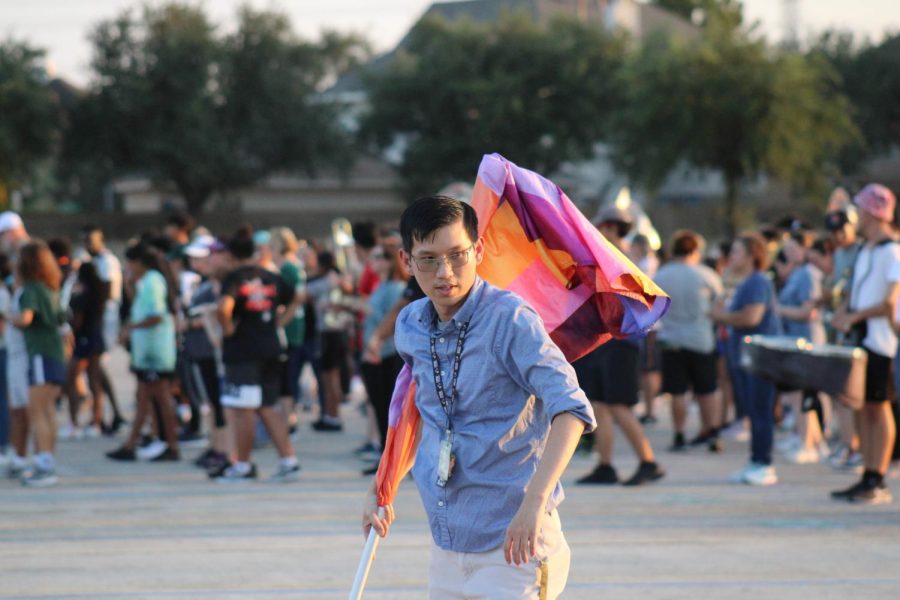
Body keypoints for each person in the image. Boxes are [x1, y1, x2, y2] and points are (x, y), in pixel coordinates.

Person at [362, 196, 596, 599]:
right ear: (406, 260)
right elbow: (417, 414)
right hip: (447, 542)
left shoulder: (511, 319)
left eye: (458, 255)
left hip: (515, 541)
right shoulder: (411, 324)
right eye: (429, 259)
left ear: (480, 250)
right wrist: (380, 487)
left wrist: (534, 505)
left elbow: (572, 411)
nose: (446, 273)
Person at [574, 206, 665, 486]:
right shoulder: (607, 255)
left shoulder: (623, 258)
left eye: (600, 226)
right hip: (603, 340)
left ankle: (648, 461)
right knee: (599, 404)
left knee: (618, 405)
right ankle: (606, 465)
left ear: (611, 228)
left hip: (621, 341)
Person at [212, 225, 301, 482]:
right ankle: (288, 460)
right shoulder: (269, 276)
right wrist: (278, 322)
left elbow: (223, 308)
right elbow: (296, 297)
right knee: (267, 406)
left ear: (230, 256)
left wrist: (227, 330)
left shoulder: (235, 278)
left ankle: (243, 465)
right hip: (271, 347)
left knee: (244, 409)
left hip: (243, 353)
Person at [831, 184, 900, 504]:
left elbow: (890, 300)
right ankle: (867, 472)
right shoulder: (866, 249)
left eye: (859, 210)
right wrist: (844, 313)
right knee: (861, 405)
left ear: (873, 213)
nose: (854, 217)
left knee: (878, 405)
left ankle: (878, 476)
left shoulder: (891, 250)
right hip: (860, 337)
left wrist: (855, 316)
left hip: (878, 340)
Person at [711, 233, 781, 486]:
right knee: (753, 410)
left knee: (761, 410)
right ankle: (755, 461)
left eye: (738, 252)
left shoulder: (758, 282)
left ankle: (764, 463)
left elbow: (751, 317)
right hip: (746, 356)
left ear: (753, 256)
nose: (732, 257)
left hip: (760, 356)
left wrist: (722, 316)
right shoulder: (744, 282)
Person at [106, 243, 180, 462]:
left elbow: (156, 315)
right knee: (145, 397)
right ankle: (132, 443)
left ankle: (171, 445)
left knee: (161, 398)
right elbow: (139, 308)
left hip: (154, 352)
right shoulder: (147, 281)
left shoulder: (153, 282)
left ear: (139, 263)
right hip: (147, 352)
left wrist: (130, 329)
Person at [653, 230, 724, 452]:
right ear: (695, 250)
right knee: (707, 389)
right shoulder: (705, 274)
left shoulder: (661, 275)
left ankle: (679, 433)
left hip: (671, 338)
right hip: (701, 338)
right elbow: (720, 302)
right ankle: (711, 431)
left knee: (677, 391)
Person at [13, 241, 68, 486]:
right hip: (54, 354)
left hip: (40, 355)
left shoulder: (32, 289)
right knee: (47, 411)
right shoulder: (50, 287)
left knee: (37, 412)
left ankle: (44, 466)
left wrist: (7, 317)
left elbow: (26, 318)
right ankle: (47, 460)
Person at [359, 242, 408, 475]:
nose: (374, 261)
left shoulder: (395, 288)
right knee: (379, 406)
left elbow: (395, 319)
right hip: (374, 351)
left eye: (380, 257)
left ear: (391, 261)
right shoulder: (382, 285)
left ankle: (392, 460)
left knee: (387, 407)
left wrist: (370, 313)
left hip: (386, 353)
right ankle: (384, 458)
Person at [64, 262, 109, 439]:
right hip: (97, 338)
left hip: (83, 340)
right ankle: (96, 421)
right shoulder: (99, 293)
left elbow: (77, 321)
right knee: (95, 382)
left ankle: (73, 423)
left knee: (71, 380)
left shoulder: (82, 296)